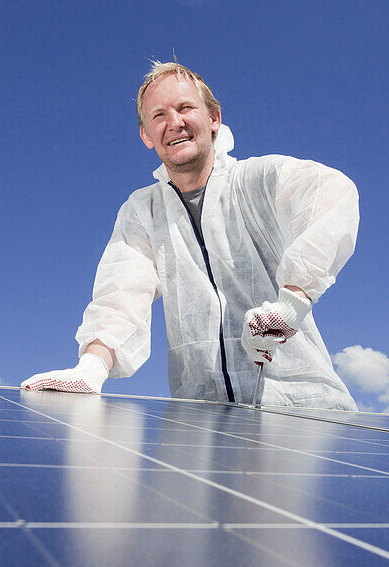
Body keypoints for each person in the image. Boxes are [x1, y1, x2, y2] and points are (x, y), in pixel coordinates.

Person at [22, 61, 359, 409]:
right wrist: (91, 368)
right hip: (202, 425)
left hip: (307, 413)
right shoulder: (144, 211)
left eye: (185, 108)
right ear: (146, 135)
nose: (174, 123)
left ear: (213, 118)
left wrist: (292, 303)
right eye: (158, 116)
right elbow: (120, 293)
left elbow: (331, 191)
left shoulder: (256, 179)